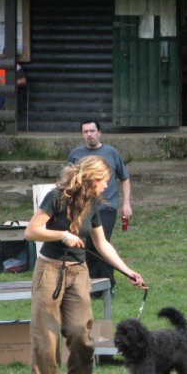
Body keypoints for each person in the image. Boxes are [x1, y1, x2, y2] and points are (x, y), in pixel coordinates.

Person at [25, 156, 146, 374]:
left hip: (78, 272)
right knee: (46, 335)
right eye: (104, 181)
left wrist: (128, 271)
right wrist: (63, 235)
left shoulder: (92, 204)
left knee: (83, 333)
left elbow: (102, 244)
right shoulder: (56, 197)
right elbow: (32, 230)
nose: (106, 187)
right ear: (91, 179)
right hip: (49, 270)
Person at [67, 120, 131, 296]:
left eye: (92, 131)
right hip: (83, 208)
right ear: (82, 135)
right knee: (85, 247)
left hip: (107, 208)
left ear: (99, 132)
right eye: (86, 131)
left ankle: (107, 286)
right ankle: (92, 285)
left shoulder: (111, 153)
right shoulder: (75, 154)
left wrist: (126, 204)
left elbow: (124, 178)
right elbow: (69, 182)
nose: (89, 134)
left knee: (102, 245)